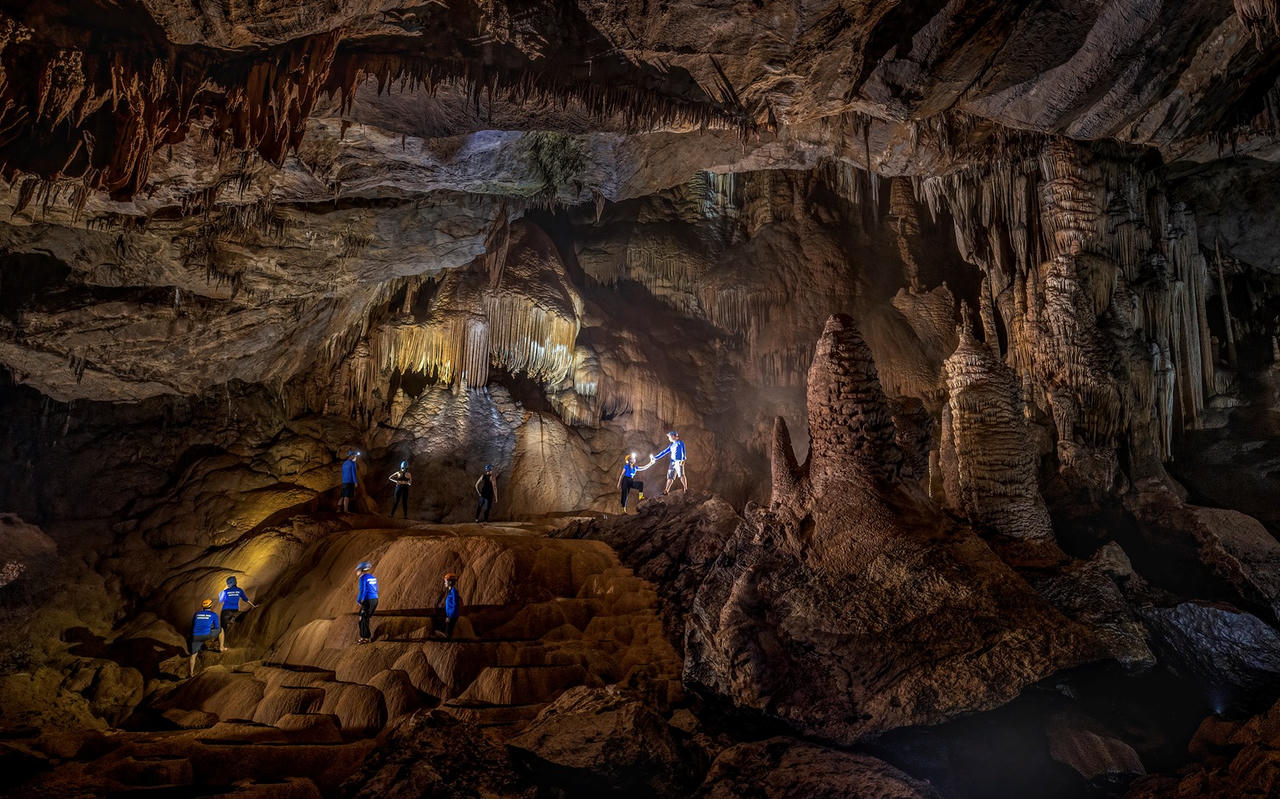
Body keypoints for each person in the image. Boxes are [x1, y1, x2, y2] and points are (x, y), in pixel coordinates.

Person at [217, 576, 256, 650]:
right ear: (235, 582)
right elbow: (246, 599)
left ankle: (221, 647)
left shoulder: (225, 591)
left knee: (222, 628)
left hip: (225, 611)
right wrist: (253, 606)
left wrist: (225, 590)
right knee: (239, 621)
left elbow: (220, 600)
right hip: (235, 611)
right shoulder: (239, 590)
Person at [189, 599, 220, 678]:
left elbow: (193, 625)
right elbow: (216, 627)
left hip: (195, 636)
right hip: (206, 634)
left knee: (193, 655)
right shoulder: (213, 614)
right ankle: (221, 647)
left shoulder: (196, 614)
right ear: (211, 606)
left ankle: (191, 673)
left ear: (202, 606)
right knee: (221, 630)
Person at [355, 561, 379, 644]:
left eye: (358, 569)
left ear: (362, 570)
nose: (357, 571)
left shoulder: (362, 578)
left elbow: (363, 590)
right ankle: (365, 637)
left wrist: (359, 600)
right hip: (375, 599)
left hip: (368, 600)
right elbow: (376, 589)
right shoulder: (373, 577)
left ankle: (365, 638)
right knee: (365, 617)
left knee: (363, 618)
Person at [435, 573, 463, 639]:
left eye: (445, 581)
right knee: (446, 633)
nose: (444, 583)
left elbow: (455, 604)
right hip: (450, 615)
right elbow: (451, 603)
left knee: (447, 635)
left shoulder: (453, 591)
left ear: (450, 582)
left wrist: (450, 616)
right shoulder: (450, 591)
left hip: (452, 616)